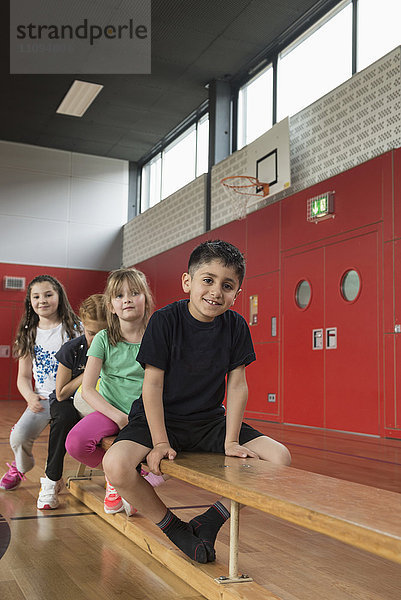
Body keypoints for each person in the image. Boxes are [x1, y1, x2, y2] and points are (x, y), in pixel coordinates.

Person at [103, 240, 291, 563]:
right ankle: (173, 527)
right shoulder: (165, 320)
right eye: (208, 280)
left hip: (208, 422)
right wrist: (159, 441)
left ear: (237, 294)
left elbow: (237, 387)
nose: (216, 291)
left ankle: (210, 520)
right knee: (116, 465)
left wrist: (231, 439)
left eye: (227, 285)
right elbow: (152, 385)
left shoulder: (235, 327)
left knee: (280, 458)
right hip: (161, 419)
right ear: (187, 282)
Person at [66, 267, 164, 516]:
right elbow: (87, 389)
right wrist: (118, 417)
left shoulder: (159, 338)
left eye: (134, 293)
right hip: (111, 411)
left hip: (146, 414)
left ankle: (131, 480)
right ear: (111, 305)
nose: (127, 299)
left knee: (169, 455)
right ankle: (115, 477)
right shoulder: (103, 339)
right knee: (76, 443)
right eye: (119, 296)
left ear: (146, 299)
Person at [0, 275, 81, 491]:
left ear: (59, 297)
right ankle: (21, 466)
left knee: (62, 436)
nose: (42, 300)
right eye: (36, 296)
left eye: (48, 295)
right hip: (43, 398)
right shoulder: (29, 333)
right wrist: (29, 396)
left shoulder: (75, 328)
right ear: (30, 301)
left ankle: (53, 475)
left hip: (70, 397)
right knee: (18, 436)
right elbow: (23, 377)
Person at [37, 294, 107, 510]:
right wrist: (90, 373)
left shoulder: (114, 346)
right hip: (67, 400)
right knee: (64, 417)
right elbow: (60, 393)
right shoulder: (72, 349)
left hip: (97, 401)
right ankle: (51, 478)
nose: (96, 339)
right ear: (82, 325)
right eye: (91, 333)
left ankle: (120, 477)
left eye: (102, 333)